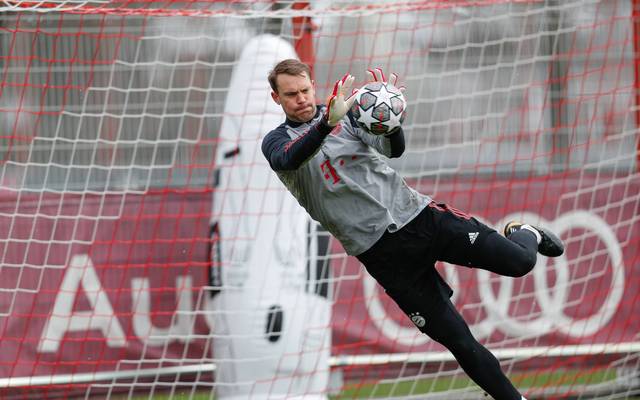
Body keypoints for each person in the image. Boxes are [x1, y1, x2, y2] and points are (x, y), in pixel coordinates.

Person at [261, 59, 564, 400]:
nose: (300, 99)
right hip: (381, 255)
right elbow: (290, 159)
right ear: (276, 99)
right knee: (458, 340)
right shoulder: (276, 141)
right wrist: (323, 127)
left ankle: (525, 232)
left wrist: (389, 119)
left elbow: (396, 150)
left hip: (420, 219)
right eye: (290, 94)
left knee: (520, 263)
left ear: (312, 86)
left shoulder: (347, 114)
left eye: (304, 90)